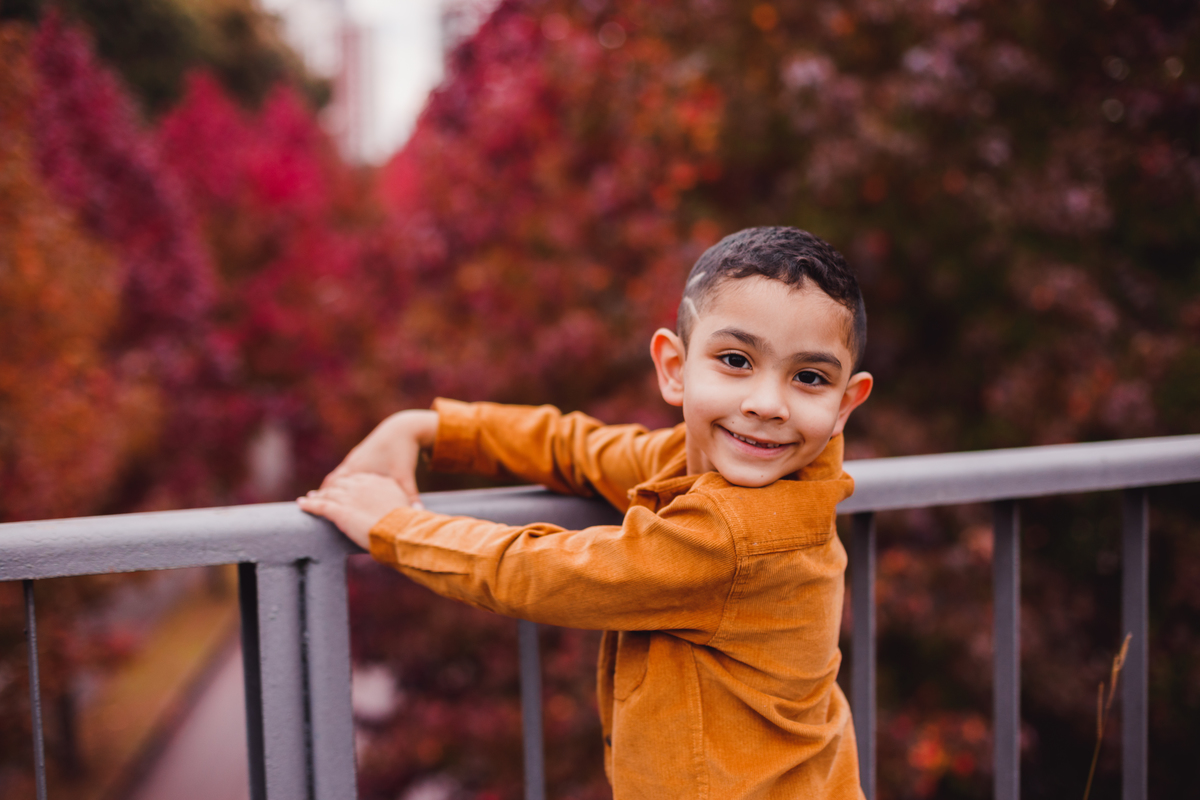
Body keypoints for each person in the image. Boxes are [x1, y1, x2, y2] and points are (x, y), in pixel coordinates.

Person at [299, 226, 874, 799]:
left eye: (809, 377)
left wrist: (392, 525)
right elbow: (579, 447)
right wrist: (432, 427)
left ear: (845, 402)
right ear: (674, 368)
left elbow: (544, 572)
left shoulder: (734, 537)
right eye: (734, 360)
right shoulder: (693, 461)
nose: (766, 405)